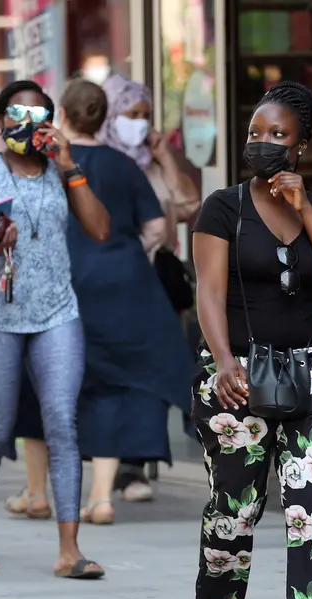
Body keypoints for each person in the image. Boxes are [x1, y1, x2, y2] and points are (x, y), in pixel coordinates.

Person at [187, 81, 312, 599]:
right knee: (236, 509)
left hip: (310, 372)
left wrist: (305, 207)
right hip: (237, 371)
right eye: (255, 133)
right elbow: (208, 292)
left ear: (302, 147)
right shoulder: (222, 207)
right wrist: (224, 360)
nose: (262, 143)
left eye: (277, 135)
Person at [0, 80, 110, 578]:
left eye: (39, 117)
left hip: (57, 313)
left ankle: (69, 550)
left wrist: (71, 165)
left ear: (52, 123)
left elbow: (100, 231)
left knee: (62, 424)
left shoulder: (63, 171)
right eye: (17, 116)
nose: (27, 126)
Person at [5, 79, 194, 526]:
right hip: (123, 287)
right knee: (110, 383)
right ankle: (102, 497)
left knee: (38, 384)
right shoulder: (125, 166)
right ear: (103, 116)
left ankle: (36, 492)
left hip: (60, 287)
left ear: (63, 116)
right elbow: (155, 229)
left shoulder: (43, 163)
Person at [99, 73, 202, 503]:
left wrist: (164, 157)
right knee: (111, 373)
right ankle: (107, 458)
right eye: (130, 114)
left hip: (155, 283)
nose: (138, 123)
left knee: (153, 374)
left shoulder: (155, 161)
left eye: (145, 116)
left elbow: (189, 205)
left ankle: (135, 464)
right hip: (107, 286)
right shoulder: (96, 161)